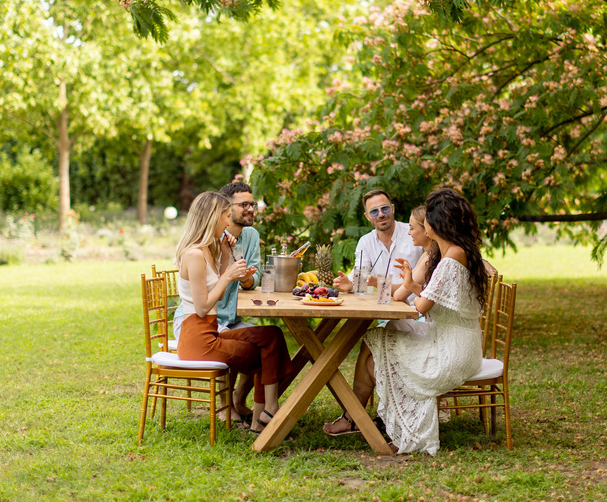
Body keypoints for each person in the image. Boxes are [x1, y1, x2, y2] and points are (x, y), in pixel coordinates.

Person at [323, 188, 488, 454]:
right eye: (374, 211)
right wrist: (402, 285)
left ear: (434, 225)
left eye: (423, 223)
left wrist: (409, 284)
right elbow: (424, 298)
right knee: (376, 338)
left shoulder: (447, 257)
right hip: (451, 337)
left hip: (453, 348)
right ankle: (368, 418)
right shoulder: (454, 251)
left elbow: (422, 305)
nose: (418, 228)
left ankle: (401, 427)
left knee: (378, 359)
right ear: (367, 216)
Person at [174, 191, 292, 432]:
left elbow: (218, 284)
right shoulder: (194, 254)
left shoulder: (209, 250)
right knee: (263, 353)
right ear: (212, 217)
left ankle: (267, 411)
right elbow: (202, 306)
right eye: (225, 217)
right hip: (198, 340)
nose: (228, 223)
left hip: (211, 332)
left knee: (271, 335)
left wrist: (227, 256)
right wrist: (227, 275)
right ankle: (266, 418)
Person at [173, 181, 262, 413]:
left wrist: (244, 277)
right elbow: (202, 303)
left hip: (227, 317)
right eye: (244, 204)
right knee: (248, 344)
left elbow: (254, 280)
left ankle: (239, 401)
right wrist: (228, 272)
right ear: (225, 210)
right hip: (197, 323)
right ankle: (225, 409)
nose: (251, 209)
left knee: (264, 340)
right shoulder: (203, 244)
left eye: (252, 204)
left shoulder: (250, 236)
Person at [335, 189, 423, 298]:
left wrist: (378, 282)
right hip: (384, 310)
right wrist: (350, 285)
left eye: (385, 209)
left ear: (392, 209)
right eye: (374, 212)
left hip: (417, 310)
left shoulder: (414, 234)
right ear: (367, 216)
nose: (381, 214)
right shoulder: (365, 242)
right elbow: (360, 282)